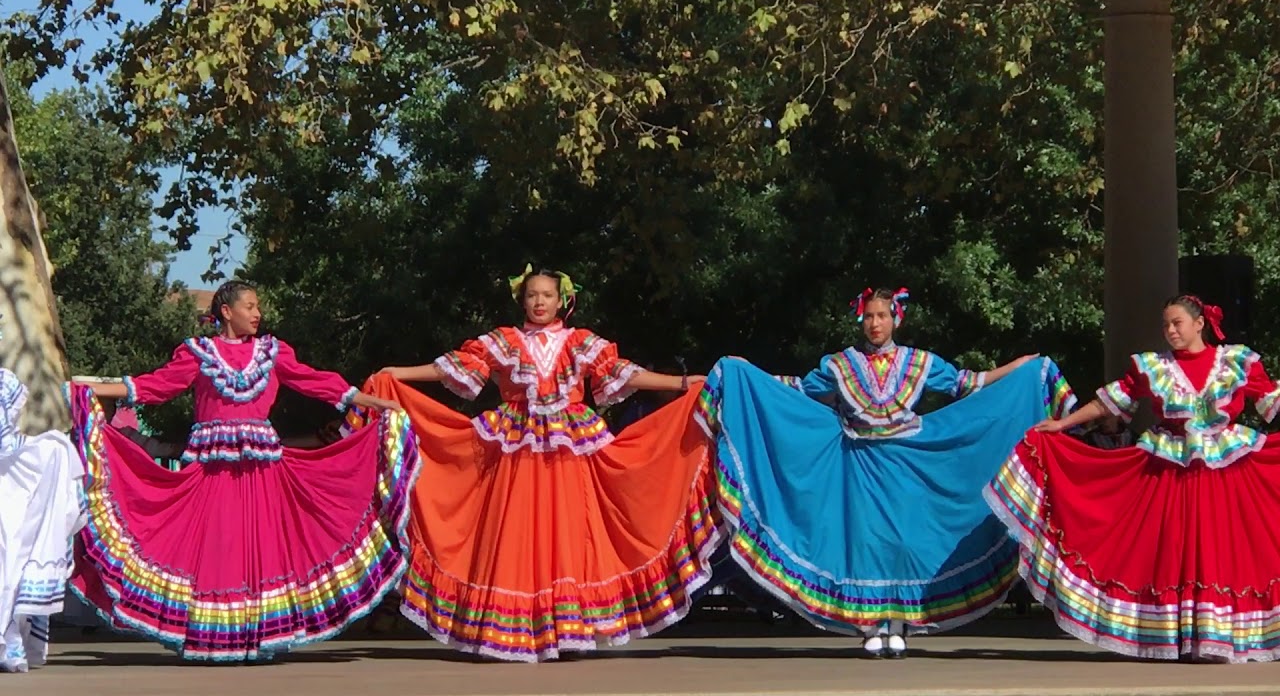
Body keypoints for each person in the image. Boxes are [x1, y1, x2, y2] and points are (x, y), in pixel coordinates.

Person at [357, 265, 720, 662]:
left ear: (563, 299)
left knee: (568, 530)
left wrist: (682, 384)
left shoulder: (580, 342)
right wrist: (400, 374)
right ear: (522, 300)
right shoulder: (505, 341)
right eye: (532, 295)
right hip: (517, 448)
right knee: (516, 530)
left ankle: (567, 628)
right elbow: (454, 367)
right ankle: (512, 629)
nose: (539, 302)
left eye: (547, 295)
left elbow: (624, 374)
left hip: (569, 447)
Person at [696, 287, 1075, 658]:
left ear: (896, 319)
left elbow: (966, 383)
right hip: (858, 464)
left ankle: (900, 622)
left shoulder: (918, 361)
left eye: (882, 316)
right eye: (870, 317)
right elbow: (798, 389)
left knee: (904, 543)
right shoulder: (840, 364)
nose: (875, 324)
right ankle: (871, 626)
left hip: (906, 462)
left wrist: (1019, 368)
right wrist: (747, 374)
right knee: (867, 543)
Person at [67, 280, 418, 662]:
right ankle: (216, 635)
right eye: (249, 306)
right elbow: (157, 385)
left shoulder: (272, 352)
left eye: (257, 307)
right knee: (219, 546)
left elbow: (314, 380)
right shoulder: (198, 353)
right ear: (226, 312)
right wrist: (91, 387)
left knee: (262, 547)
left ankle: (260, 633)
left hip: (263, 469)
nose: (257, 313)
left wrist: (367, 401)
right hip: (212, 470)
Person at [986, 294, 1280, 663]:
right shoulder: (1154, 366)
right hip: (1171, 473)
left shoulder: (1237, 362)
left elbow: (1271, 399)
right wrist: (1063, 423)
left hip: (1226, 473)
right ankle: (1177, 637)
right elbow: (1110, 401)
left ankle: (1216, 638)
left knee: (1223, 550)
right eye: (1166, 325)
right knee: (1171, 551)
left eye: (1177, 323)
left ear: (1199, 323)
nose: (1170, 331)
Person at [0, 347, 87, 673]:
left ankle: (9, 643)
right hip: (9, 475)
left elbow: (6, 441)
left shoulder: (6, 382)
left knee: (12, 561)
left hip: (10, 481)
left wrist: (49, 449)